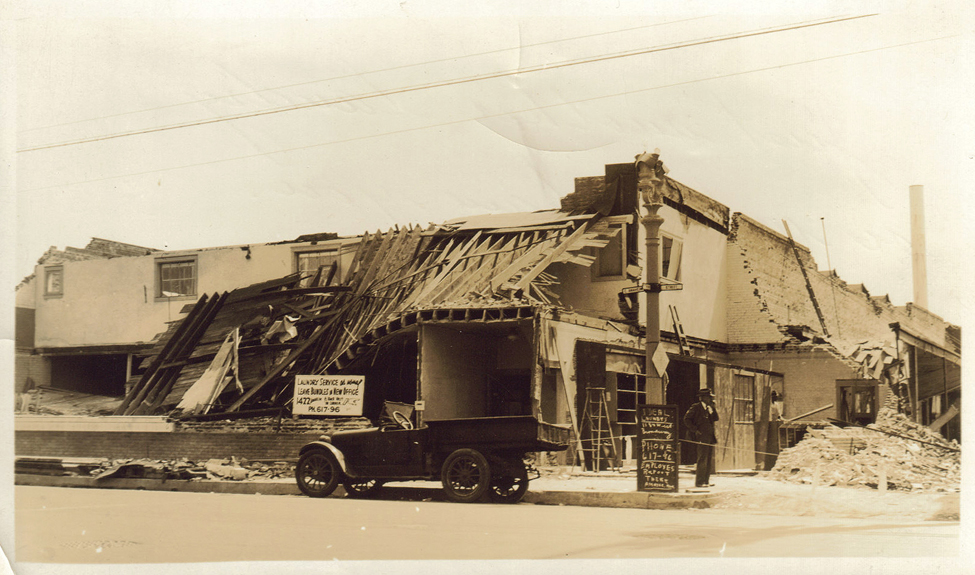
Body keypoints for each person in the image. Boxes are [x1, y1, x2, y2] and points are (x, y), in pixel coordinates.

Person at [683, 388, 719, 488]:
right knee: (702, 459)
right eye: (708, 397)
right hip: (700, 436)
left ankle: (706, 481)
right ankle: (699, 482)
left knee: (708, 459)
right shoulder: (696, 407)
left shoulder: (709, 408)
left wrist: (713, 410)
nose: (710, 400)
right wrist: (695, 430)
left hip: (709, 437)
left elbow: (716, 418)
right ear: (702, 398)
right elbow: (686, 420)